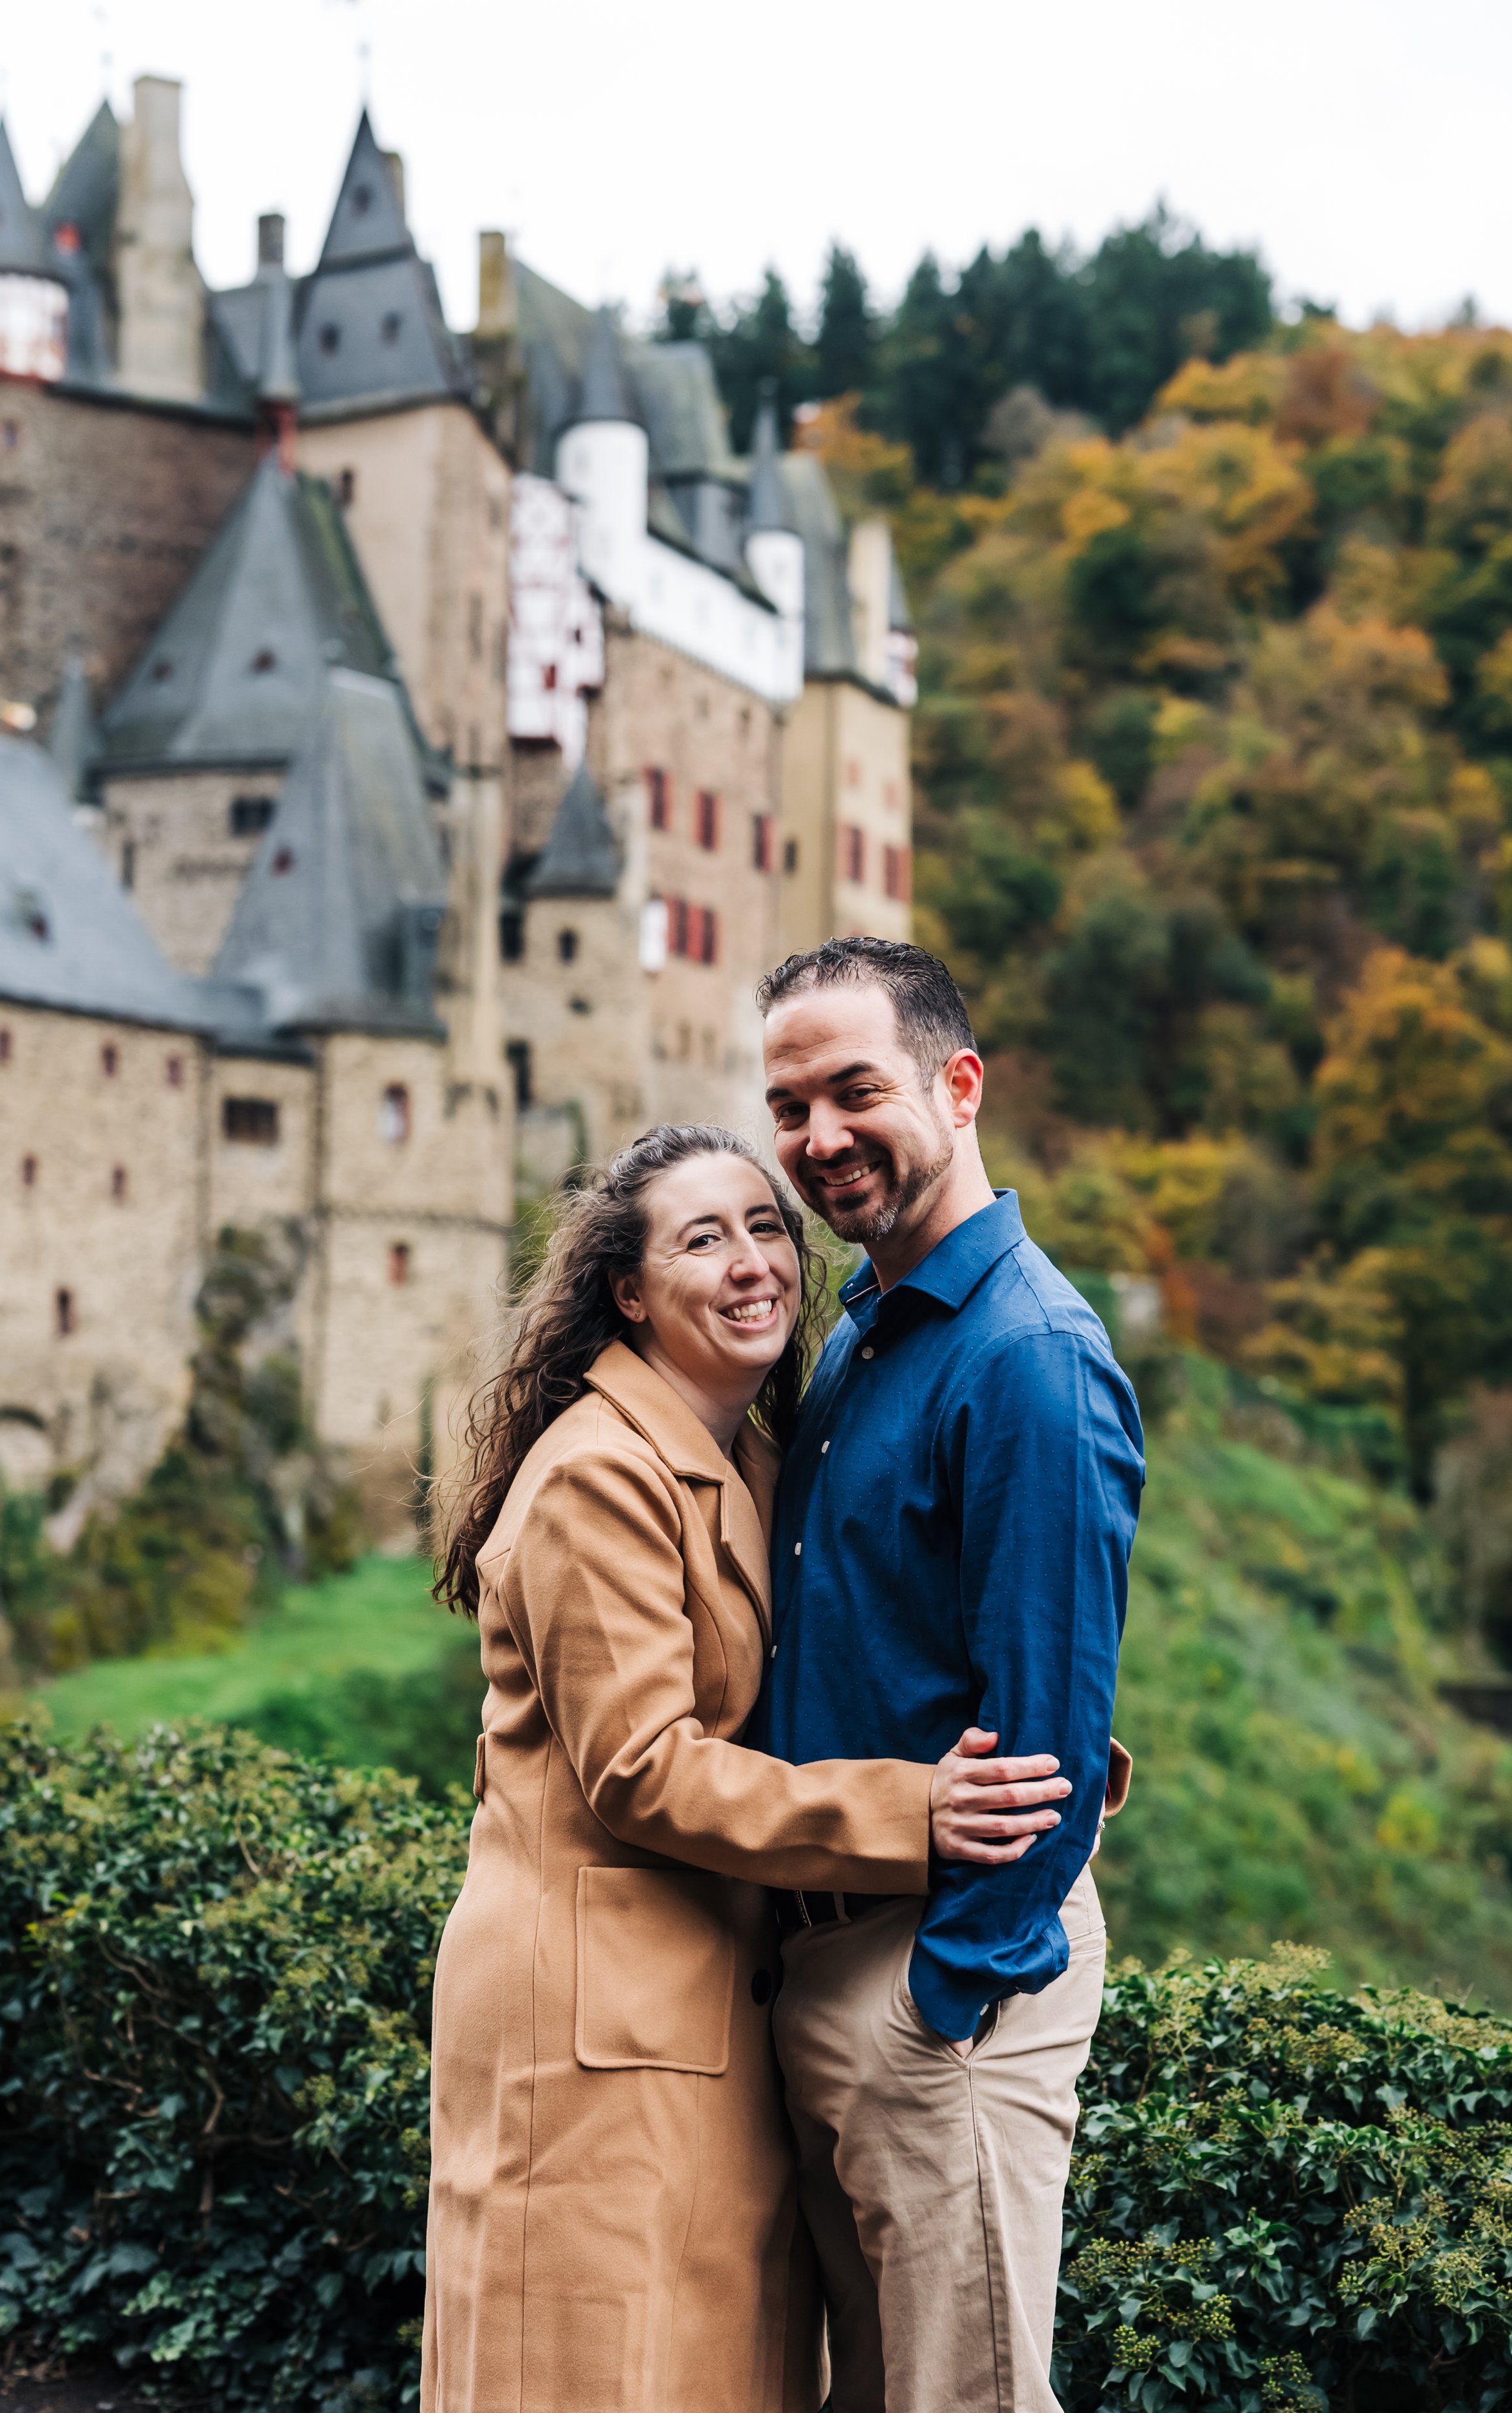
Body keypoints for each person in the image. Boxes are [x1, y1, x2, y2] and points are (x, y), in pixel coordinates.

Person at [421, 1122, 1069, 2413]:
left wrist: (1043, 1725)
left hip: (697, 2005)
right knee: (599, 2374)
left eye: (765, 1227)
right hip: (591, 2020)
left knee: (708, 2370)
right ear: (627, 1289)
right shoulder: (597, 1476)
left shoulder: (749, 1458)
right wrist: (919, 1812)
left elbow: (824, 1665)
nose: (748, 1262)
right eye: (701, 1238)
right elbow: (645, 1772)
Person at [754, 937, 1145, 2413]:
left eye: (855, 1091)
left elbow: (1049, 1721)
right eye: (788, 1107)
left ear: (958, 1085)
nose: (818, 1138)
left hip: (943, 1982)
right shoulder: (862, 1335)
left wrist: (946, 2000)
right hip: (825, 1947)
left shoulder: (1027, 1355)